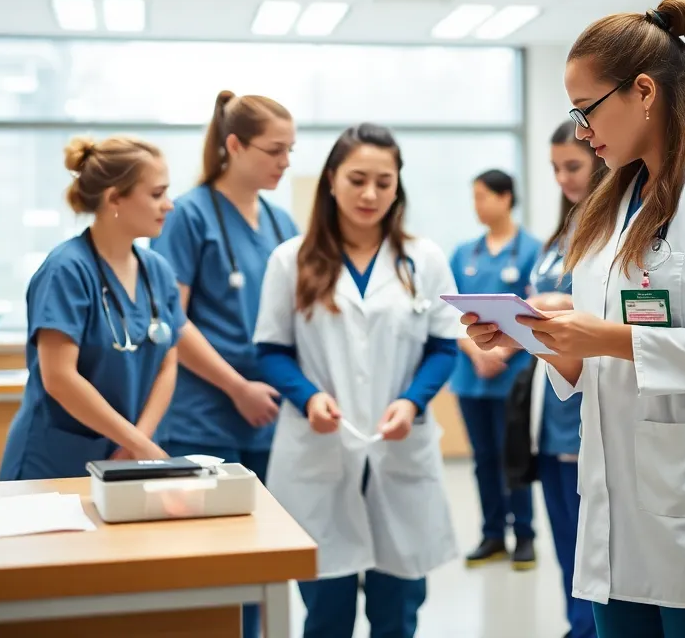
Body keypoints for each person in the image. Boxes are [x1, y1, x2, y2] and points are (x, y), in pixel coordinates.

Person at [461, 0, 685, 638]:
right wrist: (539, 335)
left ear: (643, 91)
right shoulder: (618, 198)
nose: (583, 133)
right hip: (621, 516)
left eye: (586, 111)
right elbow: (606, 355)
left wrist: (608, 336)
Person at [253, 124, 461, 638]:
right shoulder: (292, 259)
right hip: (322, 448)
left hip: (399, 448)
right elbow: (271, 351)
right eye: (358, 179)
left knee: (397, 611)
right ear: (331, 181)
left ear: (398, 187)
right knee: (327, 612)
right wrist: (308, 397)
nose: (371, 194)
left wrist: (412, 403)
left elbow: (443, 347)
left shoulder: (424, 259)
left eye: (384, 182)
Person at [148, 90, 297, 638]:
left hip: (272, 412)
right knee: (213, 566)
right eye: (274, 150)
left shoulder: (282, 224)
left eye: (291, 151)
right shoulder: (188, 214)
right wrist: (237, 387)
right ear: (233, 145)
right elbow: (173, 320)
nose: (285, 162)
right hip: (206, 415)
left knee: (259, 559)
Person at [0, 136, 185, 480]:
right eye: (157, 194)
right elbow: (59, 377)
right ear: (114, 197)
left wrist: (137, 442)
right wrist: (138, 446)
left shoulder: (157, 271)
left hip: (128, 456)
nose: (169, 205)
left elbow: (167, 363)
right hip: (57, 462)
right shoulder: (66, 270)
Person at [524, 122, 607, 638]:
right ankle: (575, 627)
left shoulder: (612, 228)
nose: (562, 178)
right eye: (555, 168)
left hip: (589, 406)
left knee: (590, 544)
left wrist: (565, 305)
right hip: (551, 410)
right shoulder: (561, 233)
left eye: (572, 166)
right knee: (565, 539)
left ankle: (588, 630)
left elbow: (622, 309)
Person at [449, 169, 541, 570]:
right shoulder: (463, 253)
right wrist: (476, 351)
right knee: (483, 458)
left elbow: (538, 311)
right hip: (470, 375)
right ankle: (491, 536)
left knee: (514, 457)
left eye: (483, 196)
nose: (475, 205)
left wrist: (499, 353)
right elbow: (448, 312)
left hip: (512, 375)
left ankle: (524, 534)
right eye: (472, 198)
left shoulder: (533, 250)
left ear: (506, 198)